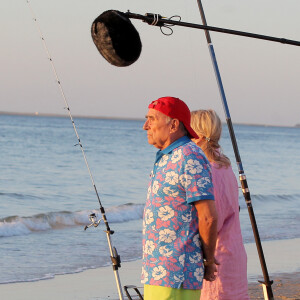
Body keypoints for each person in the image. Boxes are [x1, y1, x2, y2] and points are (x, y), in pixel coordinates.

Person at [141, 96, 218, 300]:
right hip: (157, 271)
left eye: (152, 119)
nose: (145, 126)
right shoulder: (168, 156)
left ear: (173, 124)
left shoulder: (189, 156)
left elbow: (208, 216)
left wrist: (209, 262)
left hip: (176, 273)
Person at [190, 109, 249, 300]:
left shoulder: (210, 170)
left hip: (218, 258)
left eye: (187, 134)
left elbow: (212, 219)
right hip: (233, 253)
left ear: (198, 136)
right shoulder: (224, 166)